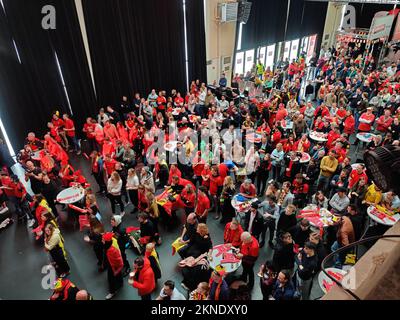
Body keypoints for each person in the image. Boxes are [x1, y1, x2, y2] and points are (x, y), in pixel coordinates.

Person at [102, 232, 124, 299]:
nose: (101, 240)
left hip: (113, 267)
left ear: (106, 242)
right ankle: (120, 283)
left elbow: (119, 260)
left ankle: (112, 292)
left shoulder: (112, 250)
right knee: (118, 275)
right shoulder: (108, 247)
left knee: (111, 279)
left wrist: (117, 269)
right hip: (113, 266)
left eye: (103, 240)